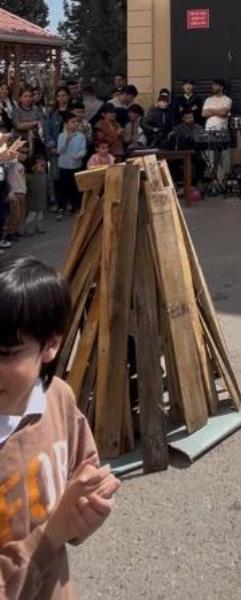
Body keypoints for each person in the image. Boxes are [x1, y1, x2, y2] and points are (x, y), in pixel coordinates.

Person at [0, 254, 120, 599]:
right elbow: (56, 530)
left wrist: (85, 513)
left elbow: (84, 474)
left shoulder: (58, 399)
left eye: (6, 353)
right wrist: (51, 535)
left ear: (51, 345)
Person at [44, 87, 72, 210]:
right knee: (56, 177)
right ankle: (58, 202)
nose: (62, 98)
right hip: (56, 150)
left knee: (69, 177)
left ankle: (69, 202)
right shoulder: (51, 113)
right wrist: (52, 146)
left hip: (71, 149)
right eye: (59, 96)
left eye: (64, 95)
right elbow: (47, 132)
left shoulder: (73, 112)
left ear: (68, 97)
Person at [57, 113, 87, 218]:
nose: (75, 124)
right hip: (64, 165)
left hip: (76, 164)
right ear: (66, 124)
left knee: (75, 187)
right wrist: (67, 139)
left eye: (77, 122)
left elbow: (83, 149)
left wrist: (80, 155)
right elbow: (60, 150)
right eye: (72, 122)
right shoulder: (62, 135)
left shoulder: (81, 136)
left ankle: (75, 207)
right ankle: (61, 207)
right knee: (63, 187)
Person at [201, 79, 232, 181]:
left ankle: (225, 179)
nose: (213, 87)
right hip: (209, 131)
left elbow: (224, 113)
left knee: (224, 155)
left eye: (215, 85)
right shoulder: (208, 100)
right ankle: (211, 179)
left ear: (221, 87)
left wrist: (211, 110)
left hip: (222, 131)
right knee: (210, 156)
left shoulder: (227, 100)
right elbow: (203, 114)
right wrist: (218, 111)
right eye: (213, 85)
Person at [168, 108, 206, 186]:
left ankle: (195, 184)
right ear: (182, 119)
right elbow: (171, 139)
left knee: (202, 163)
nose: (190, 119)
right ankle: (178, 184)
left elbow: (203, 139)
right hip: (180, 155)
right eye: (187, 118)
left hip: (194, 154)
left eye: (191, 117)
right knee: (171, 163)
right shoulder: (178, 129)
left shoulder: (198, 128)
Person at [12, 87, 46, 155]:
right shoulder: (16, 111)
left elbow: (42, 122)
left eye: (30, 96)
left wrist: (27, 124)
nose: (28, 98)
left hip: (37, 141)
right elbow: (19, 126)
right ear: (20, 98)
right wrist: (36, 122)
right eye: (25, 96)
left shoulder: (36, 110)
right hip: (20, 143)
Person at [4, 145, 28, 240]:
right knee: (14, 214)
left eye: (26, 153)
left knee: (21, 214)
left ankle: (15, 231)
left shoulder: (21, 164)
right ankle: (9, 234)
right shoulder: (11, 163)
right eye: (22, 152)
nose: (25, 155)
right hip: (14, 192)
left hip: (22, 191)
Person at [23, 154, 48, 235]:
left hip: (42, 198)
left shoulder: (44, 175)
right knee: (32, 215)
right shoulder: (30, 175)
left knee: (40, 215)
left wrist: (51, 195)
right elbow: (24, 185)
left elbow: (49, 185)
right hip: (33, 199)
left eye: (43, 165)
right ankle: (27, 229)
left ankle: (39, 227)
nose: (42, 167)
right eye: (40, 165)